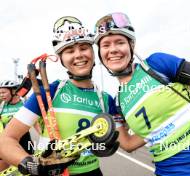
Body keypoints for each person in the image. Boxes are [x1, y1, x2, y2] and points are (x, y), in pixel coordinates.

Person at [94, 12, 190, 175]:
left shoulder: (156, 64)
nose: (113, 50)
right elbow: (129, 144)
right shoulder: (118, 101)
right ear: (100, 53)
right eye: (105, 45)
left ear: (131, 45)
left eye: (119, 42)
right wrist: (100, 137)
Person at [0, 16, 117, 176]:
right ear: (61, 58)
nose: (78, 55)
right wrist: (32, 165)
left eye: (84, 47)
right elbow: (5, 140)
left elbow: (123, 143)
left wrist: (103, 146)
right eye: (69, 51)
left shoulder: (105, 99)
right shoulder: (51, 91)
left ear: (92, 51)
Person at [0, 80, 33, 171]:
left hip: (25, 140)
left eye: (3, 92)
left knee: (28, 167)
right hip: (7, 141)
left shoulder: (25, 104)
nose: (1, 95)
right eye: (0, 93)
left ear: (13, 92)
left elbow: (37, 124)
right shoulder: (2, 107)